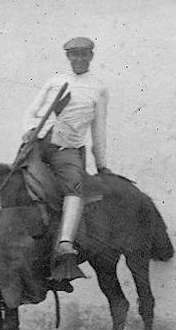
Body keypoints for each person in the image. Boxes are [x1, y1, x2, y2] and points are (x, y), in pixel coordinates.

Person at [21, 36, 110, 284]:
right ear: (68, 57)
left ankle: (64, 243)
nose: (79, 59)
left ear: (91, 56)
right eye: (74, 55)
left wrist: (101, 164)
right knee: (15, 178)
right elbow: (31, 111)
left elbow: (98, 130)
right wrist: (29, 129)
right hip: (38, 143)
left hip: (67, 149)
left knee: (75, 186)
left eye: (84, 54)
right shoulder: (55, 82)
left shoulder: (98, 89)